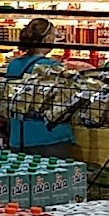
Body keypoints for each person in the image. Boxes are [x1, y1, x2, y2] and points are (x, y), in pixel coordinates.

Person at [5, 18, 71, 157]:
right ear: (47, 39)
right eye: (54, 35)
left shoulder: (13, 64)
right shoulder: (52, 67)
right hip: (49, 137)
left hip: (19, 135)